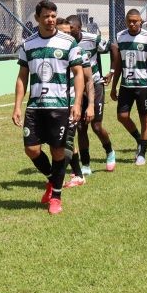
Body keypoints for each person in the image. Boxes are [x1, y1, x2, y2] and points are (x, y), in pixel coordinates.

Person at [13, 1, 83, 214]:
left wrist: (77, 103)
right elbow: (22, 77)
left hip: (60, 106)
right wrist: (17, 105)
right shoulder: (28, 45)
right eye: (46, 16)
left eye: (53, 16)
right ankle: (53, 181)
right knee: (31, 149)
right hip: (35, 106)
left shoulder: (68, 42)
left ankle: (57, 197)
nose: (51, 20)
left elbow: (79, 73)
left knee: (58, 151)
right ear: (37, 18)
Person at [68, 14, 116, 174]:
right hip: (77, 88)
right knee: (81, 127)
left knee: (95, 125)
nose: (68, 32)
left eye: (71, 29)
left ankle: (109, 151)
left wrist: (111, 71)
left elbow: (114, 48)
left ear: (79, 28)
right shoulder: (66, 43)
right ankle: (86, 164)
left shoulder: (92, 39)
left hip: (94, 84)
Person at [110, 9, 147, 165]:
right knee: (122, 116)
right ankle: (139, 139)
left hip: (143, 85)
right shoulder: (120, 36)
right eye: (129, 21)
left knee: (145, 118)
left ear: (141, 21)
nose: (132, 23)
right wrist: (114, 85)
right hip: (126, 85)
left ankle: (142, 153)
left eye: (135, 21)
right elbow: (118, 64)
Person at [55, 17, 91, 188]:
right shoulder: (49, 50)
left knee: (66, 140)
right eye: (63, 33)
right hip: (54, 103)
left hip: (71, 103)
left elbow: (88, 80)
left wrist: (88, 104)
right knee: (60, 140)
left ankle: (58, 178)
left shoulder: (78, 51)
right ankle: (78, 175)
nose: (67, 36)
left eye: (69, 33)